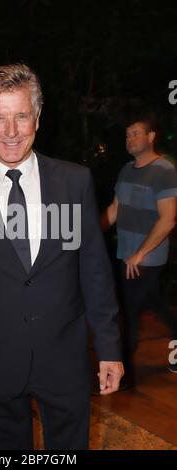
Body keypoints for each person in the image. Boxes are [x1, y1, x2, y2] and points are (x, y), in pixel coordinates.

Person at [0, 63, 124, 450]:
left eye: (21, 116)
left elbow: (95, 271)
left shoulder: (75, 181)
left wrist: (109, 349)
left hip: (65, 357)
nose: (11, 132)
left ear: (37, 118)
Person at [102, 114, 177, 383]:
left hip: (147, 258)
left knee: (128, 310)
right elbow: (114, 209)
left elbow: (168, 219)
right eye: (127, 134)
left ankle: (123, 376)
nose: (130, 139)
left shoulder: (164, 171)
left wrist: (141, 253)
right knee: (151, 302)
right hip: (126, 253)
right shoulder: (125, 170)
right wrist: (89, 233)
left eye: (136, 133)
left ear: (151, 137)